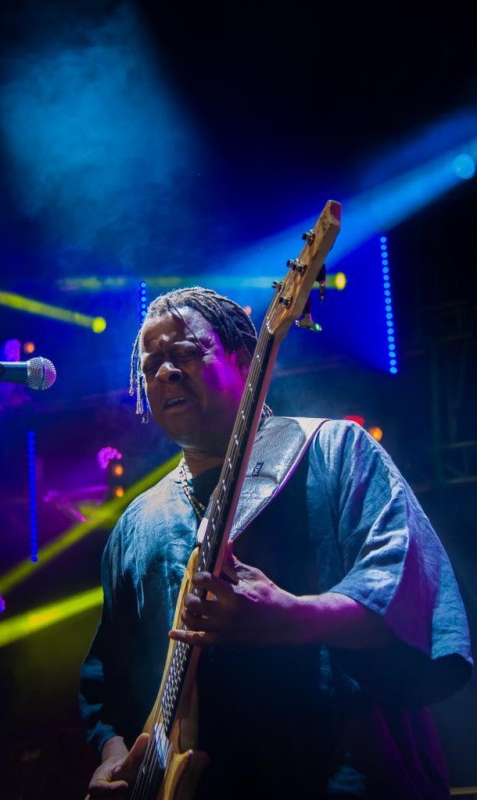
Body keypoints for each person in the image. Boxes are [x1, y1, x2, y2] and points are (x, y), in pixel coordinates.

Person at [79, 286, 473, 799]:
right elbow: (108, 680)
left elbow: (410, 596)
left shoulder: (334, 450)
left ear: (245, 361)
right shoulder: (136, 525)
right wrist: (114, 757)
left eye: (186, 353)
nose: (166, 372)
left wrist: (292, 617)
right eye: (151, 365)